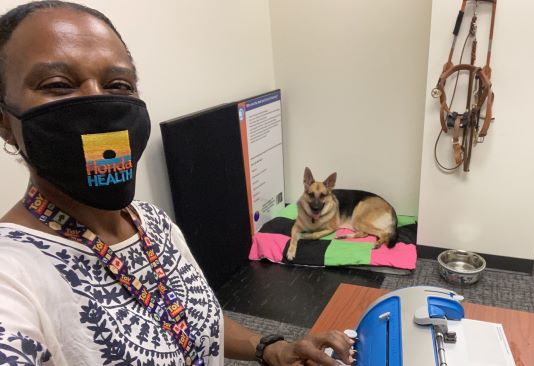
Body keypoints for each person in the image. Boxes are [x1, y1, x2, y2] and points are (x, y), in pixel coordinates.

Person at [0, 1, 353, 365]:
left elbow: (200, 323)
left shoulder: (152, 222)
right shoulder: (12, 279)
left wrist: (272, 348)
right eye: (58, 84)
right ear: (4, 122)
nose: (97, 102)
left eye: (118, 84)